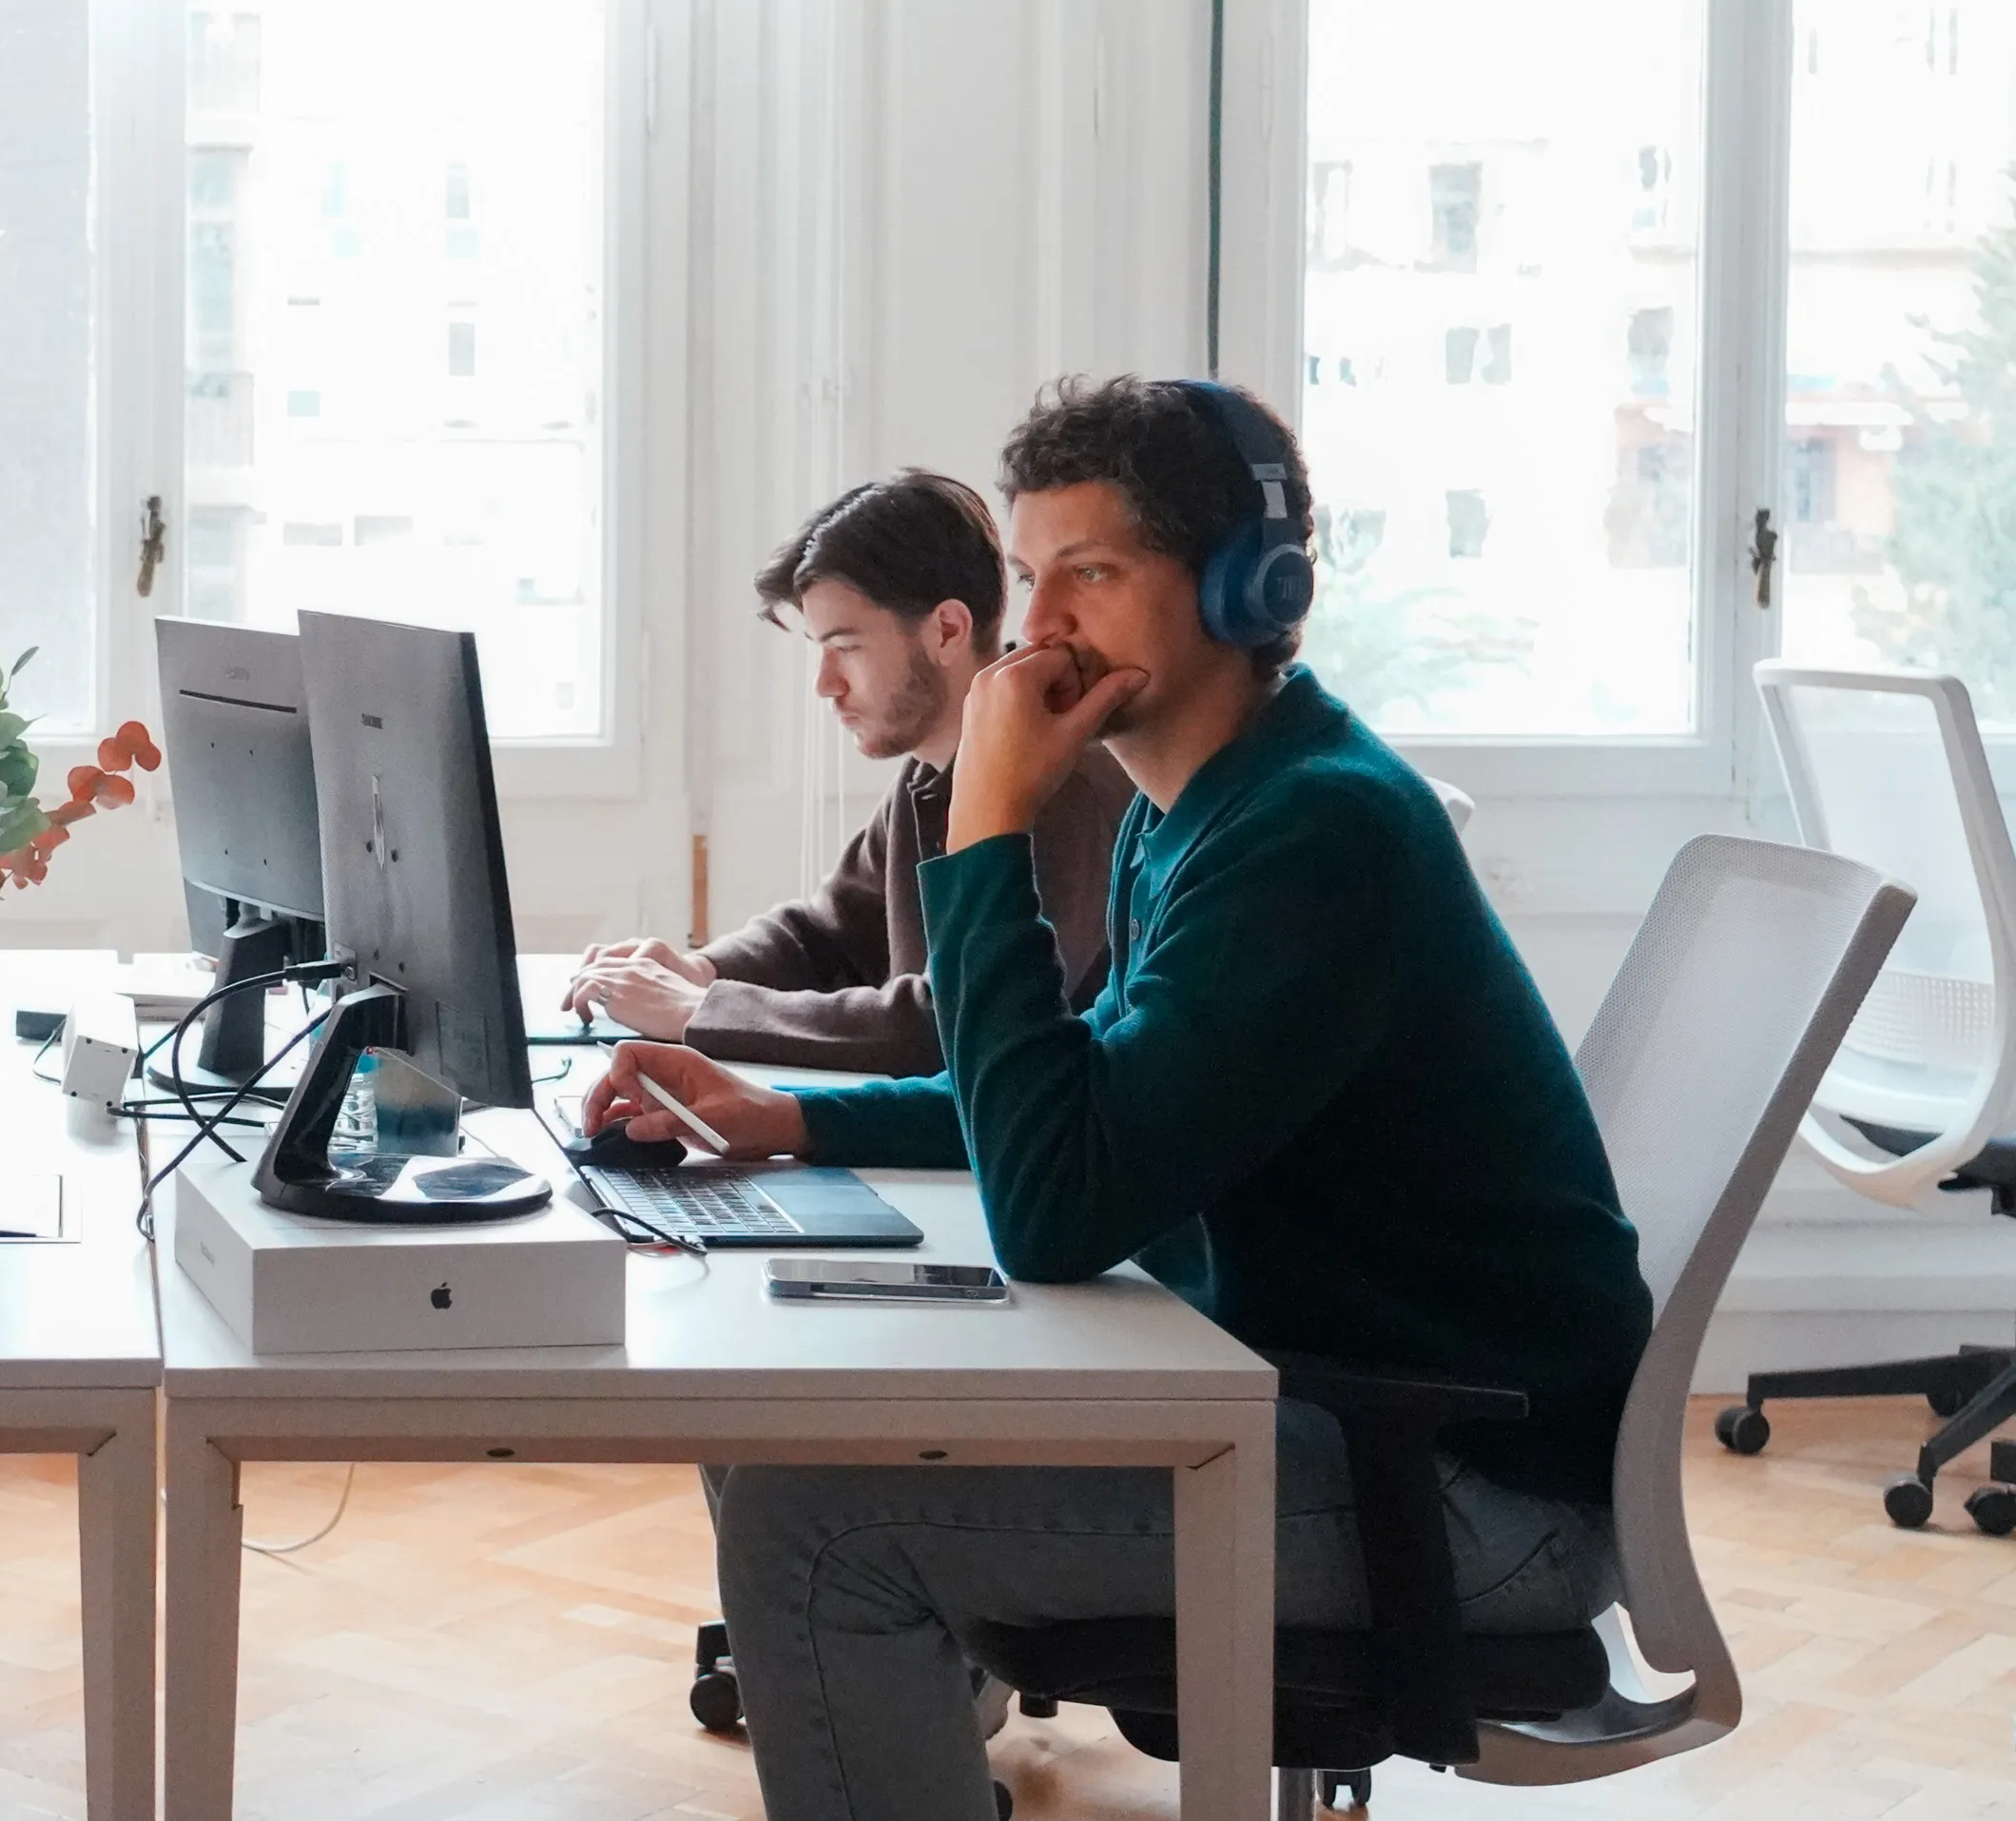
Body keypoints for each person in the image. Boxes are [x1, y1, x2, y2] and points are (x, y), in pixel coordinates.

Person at [583, 378, 1649, 1821]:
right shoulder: (1195, 802)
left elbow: (1059, 1209)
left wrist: (990, 822)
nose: (1038, 627)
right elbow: (1080, 1094)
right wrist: (797, 1118)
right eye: (1033, 574)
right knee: (784, 1404)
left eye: (1090, 573)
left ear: (1241, 585)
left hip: (1455, 1488)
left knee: (813, 1522)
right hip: (1322, 1401)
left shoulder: (1311, 827)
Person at [563, 471, 1133, 1072]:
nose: (825, 684)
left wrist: (700, 1009)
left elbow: (947, 1025)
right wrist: (698, 969)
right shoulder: (931, 771)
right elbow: (828, 933)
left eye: (847, 646)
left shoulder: (1060, 777)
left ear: (947, 630)